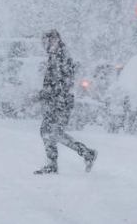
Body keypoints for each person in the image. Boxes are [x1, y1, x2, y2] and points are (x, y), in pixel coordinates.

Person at [32, 29, 97, 174]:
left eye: (46, 40)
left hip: (61, 101)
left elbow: (63, 81)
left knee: (52, 132)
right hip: (55, 101)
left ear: (54, 40)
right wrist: (44, 93)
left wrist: (49, 92)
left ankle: (85, 154)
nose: (44, 44)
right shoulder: (54, 55)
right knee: (49, 131)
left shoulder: (61, 56)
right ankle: (56, 162)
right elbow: (52, 81)